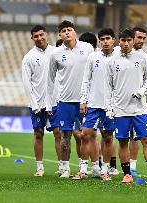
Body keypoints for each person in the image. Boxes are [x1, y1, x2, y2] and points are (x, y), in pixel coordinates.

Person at [105, 28, 147, 184]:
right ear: (119, 41)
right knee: (123, 141)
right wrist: (109, 107)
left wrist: (141, 92)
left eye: (129, 40)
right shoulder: (112, 61)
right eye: (123, 41)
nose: (126, 43)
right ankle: (127, 175)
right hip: (120, 110)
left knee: (146, 140)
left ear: (133, 41)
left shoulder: (143, 58)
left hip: (139, 109)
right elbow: (108, 86)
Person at [46, 21, 93, 178]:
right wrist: (49, 104)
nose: (67, 32)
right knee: (64, 136)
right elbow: (50, 80)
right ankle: (65, 169)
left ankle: (85, 168)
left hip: (85, 101)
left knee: (87, 135)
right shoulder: (56, 54)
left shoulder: (87, 48)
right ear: (59, 34)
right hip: (65, 101)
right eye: (63, 31)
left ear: (75, 32)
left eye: (69, 30)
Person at [74, 28, 117, 181]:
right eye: (102, 39)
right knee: (85, 135)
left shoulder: (118, 57)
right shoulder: (93, 57)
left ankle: (104, 170)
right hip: (93, 104)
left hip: (111, 106)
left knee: (107, 137)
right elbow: (86, 79)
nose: (105, 42)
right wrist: (83, 100)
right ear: (99, 41)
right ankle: (83, 170)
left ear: (113, 40)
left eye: (108, 39)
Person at [22, 25, 62, 177]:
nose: (39, 38)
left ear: (46, 35)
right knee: (38, 133)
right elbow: (26, 82)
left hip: (55, 101)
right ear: (32, 38)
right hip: (38, 102)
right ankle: (40, 167)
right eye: (36, 36)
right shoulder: (29, 57)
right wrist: (33, 103)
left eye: (41, 35)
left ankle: (62, 166)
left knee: (58, 133)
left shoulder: (57, 53)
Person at [127, 27, 147, 177]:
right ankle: (106, 166)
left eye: (144, 38)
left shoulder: (145, 58)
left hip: (138, 104)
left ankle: (132, 168)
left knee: (137, 136)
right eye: (139, 37)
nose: (142, 41)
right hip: (119, 104)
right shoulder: (120, 54)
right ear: (131, 38)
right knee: (109, 135)